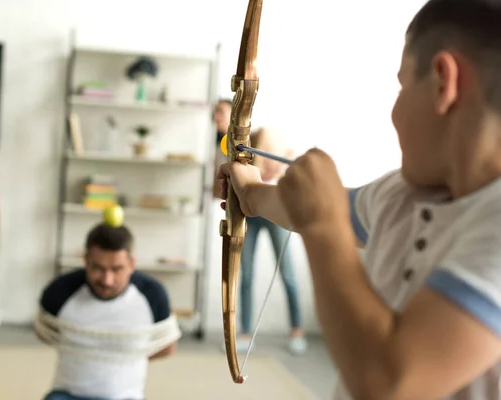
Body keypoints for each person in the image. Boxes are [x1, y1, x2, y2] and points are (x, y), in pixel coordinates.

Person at [217, 0, 501, 398]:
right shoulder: (402, 193)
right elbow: (306, 208)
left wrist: (322, 226)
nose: (395, 110)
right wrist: (248, 192)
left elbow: (389, 384)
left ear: (442, 82)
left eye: (403, 85)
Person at [35, 223, 181, 400]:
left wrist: (124, 358)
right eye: (98, 268)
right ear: (85, 261)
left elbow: (167, 347)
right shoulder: (59, 292)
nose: (107, 280)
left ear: (131, 264)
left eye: (116, 269)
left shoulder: (153, 296)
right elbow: (45, 333)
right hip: (67, 394)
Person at [212, 99, 307, 354]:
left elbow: (282, 161)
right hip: (250, 213)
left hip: (274, 206)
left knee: (287, 273)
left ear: (234, 113)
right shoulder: (223, 146)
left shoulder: (261, 136)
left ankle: (296, 330)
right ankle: (243, 333)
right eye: (214, 115)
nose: (216, 119)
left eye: (220, 113)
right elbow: (219, 188)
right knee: (245, 274)